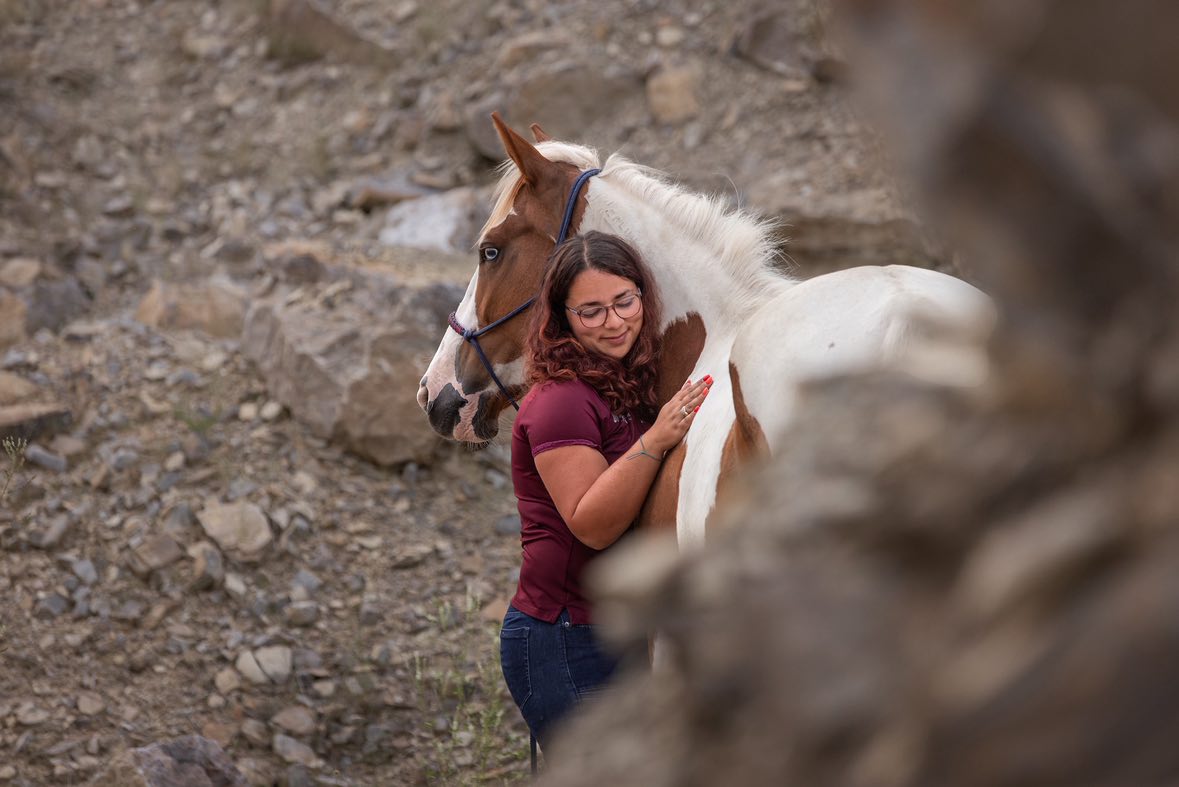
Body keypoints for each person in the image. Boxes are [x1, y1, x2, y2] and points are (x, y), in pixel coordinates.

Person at [500, 230, 712, 752]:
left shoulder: (621, 379)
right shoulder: (560, 399)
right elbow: (591, 523)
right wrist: (657, 439)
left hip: (616, 627)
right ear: (561, 318)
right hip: (565, 636)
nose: (615, 322)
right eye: (591, 311)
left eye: (624, 301)